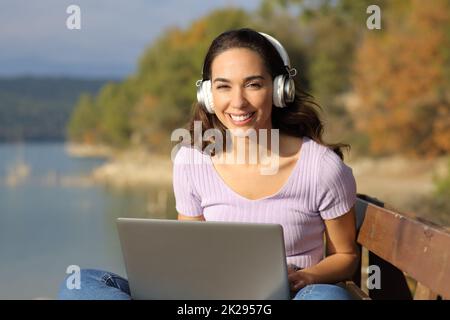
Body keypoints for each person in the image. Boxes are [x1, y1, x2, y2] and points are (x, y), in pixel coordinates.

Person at [58, 28, 358, 300]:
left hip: (290, 297)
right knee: (81, 284)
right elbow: (190, 252)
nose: (238, 102)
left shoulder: (320, 168)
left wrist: (307, 277)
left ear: (280, 90)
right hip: (212, 300)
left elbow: (345, 256)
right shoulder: (192, 161)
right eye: (223, 86)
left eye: (253, 84)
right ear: (208, 95)